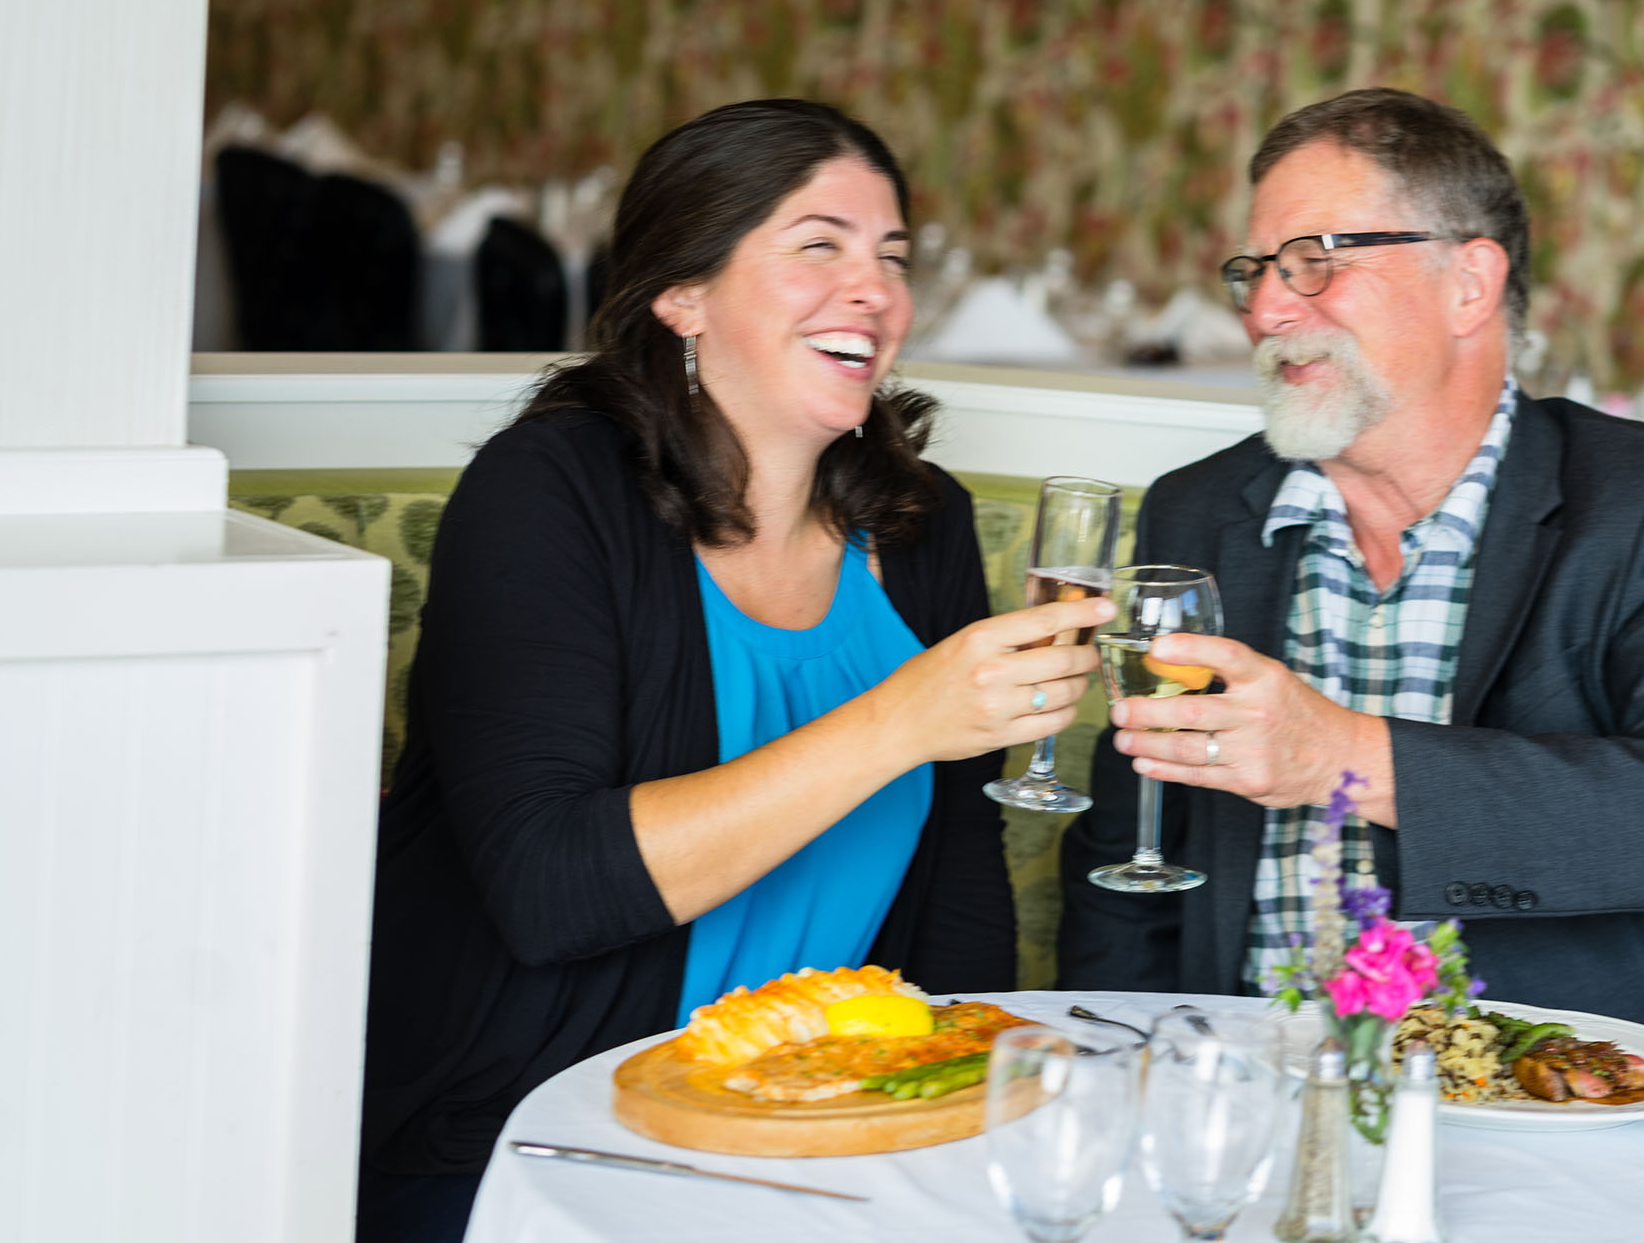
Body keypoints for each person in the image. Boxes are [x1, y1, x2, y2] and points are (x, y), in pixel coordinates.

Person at [358, 99, 1112, 1242]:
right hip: (536, 1130)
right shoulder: (547, 493)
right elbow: (547, 888)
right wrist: (901, 719)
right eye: (819, 245)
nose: (875, 290)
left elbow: (959, 871)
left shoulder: (918, 524)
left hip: (817, 1130)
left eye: (891, 257)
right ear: (683, 296)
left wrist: (973, 1106)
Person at [1058, 87, 1644, 1100]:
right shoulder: (1201, 511)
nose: (1265, 308)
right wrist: (1124, 1080)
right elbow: (1130, 858)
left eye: (1316, 261)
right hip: (1263, 1089)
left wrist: (1340, 753)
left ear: (1467, 284)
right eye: (1254, 270)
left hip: (1595, 1107)